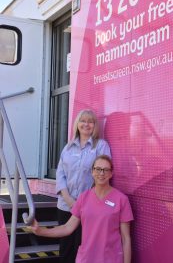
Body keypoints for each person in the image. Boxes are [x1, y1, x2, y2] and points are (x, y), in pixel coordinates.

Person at [30, 155, 133, 263]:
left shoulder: (121, 200)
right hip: (86, 259)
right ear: (92, 172)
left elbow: (126, 239)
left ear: (111, 173)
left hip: (111, 259)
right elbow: (67, 228)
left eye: (106, 170)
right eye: (98, 169)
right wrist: (41, 231)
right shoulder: (84, 198)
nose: (101, 173)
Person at [56, 109, 111, 263]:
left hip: (88, 207)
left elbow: (103, 175)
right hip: (65, 206)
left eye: (90, 121)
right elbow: (60, 175)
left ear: (95, 126)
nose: (86, 124)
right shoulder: (67, 148)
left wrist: (83, 203)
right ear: (77, 124)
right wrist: (68, 199)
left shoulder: (101, 146)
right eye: (83, 121)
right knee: (65, 248)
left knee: (83, 247)